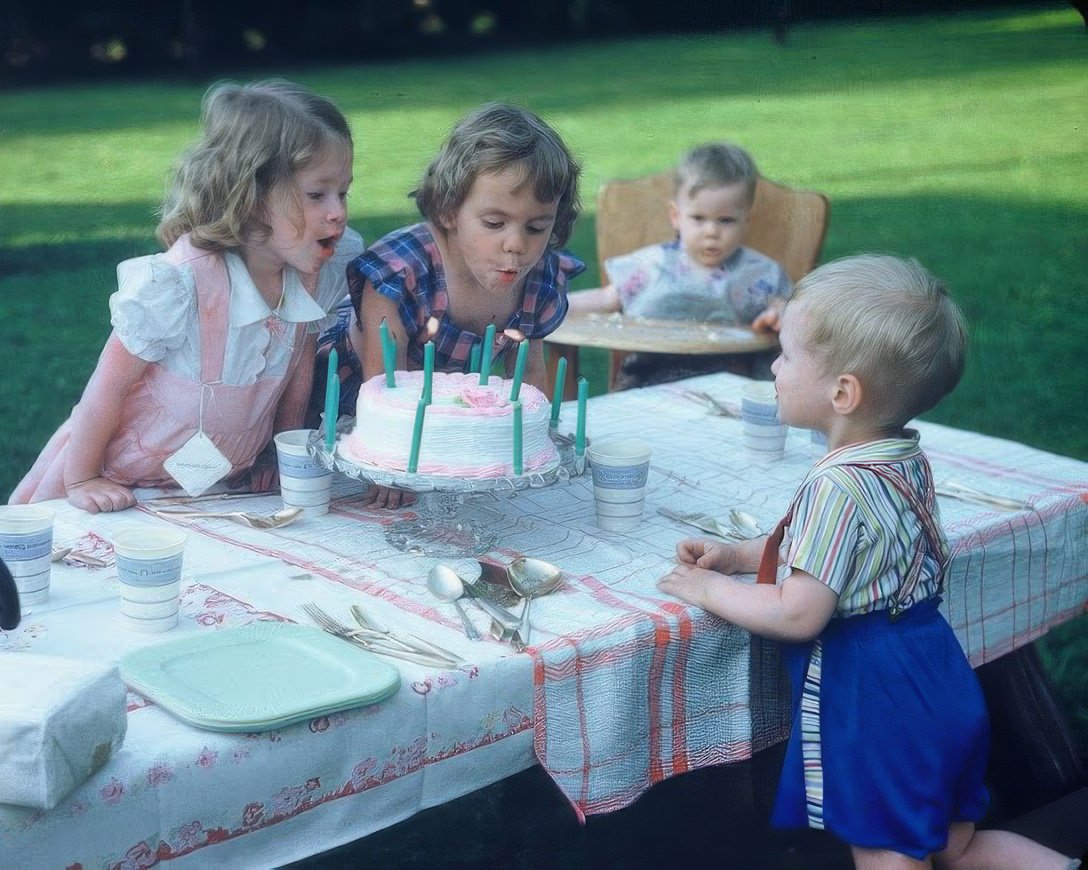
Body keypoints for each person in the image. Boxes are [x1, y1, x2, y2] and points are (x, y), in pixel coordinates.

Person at [657, 255, 1077, 870]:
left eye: (788, 355)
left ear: (843, 392)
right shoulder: (902, 458)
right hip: (936, 672)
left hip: (878, 699)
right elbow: (849, 554)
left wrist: (704, 589)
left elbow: (798, 613)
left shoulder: (836, 486)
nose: (774, 367)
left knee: (888, 854)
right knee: (955, 843)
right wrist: (740, 557)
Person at [10, 79, 361, 513]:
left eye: (343, 192)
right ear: (251, 195)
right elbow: (107, 388)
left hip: (215, 487)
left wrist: (276, 452)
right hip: (119, 480)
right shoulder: (180, 285)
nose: (338, 212)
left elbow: (296, 373)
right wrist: (83, 477)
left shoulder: (313, 275)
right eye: (317, 194)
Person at [339, 102, 585, 507]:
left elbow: (528, 375)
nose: (517, 245)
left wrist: (532, 448)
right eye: (494, 223)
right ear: (449, 210)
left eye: (537, 226)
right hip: (354, 413)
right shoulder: (401, 271)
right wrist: (392, 463)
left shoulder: (536, 276)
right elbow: (380, 380)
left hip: (444, 433)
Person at [568, 142, 792, 389]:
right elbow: (604, 298)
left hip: (729, 386)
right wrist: (552, 306)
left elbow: (790, 312)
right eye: (698, 218)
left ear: (746, 220)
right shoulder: (653, 265)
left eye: (726, 220)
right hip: (649, 381)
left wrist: (780, 314)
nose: (711, 232)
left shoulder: (760, 275)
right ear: (676, 216)